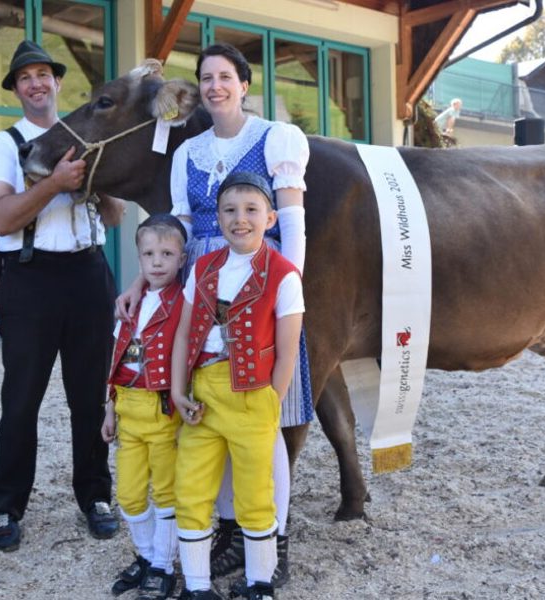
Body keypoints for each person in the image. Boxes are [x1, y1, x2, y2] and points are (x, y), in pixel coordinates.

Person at [116, 43, 309, 588]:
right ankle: (227, 534)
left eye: (226, 76)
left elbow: (291, 223)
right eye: (206, 78)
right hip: (199, 287)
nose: (215, 86)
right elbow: (173, 232)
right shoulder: (187, 151)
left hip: (259, 284)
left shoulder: (276, 138)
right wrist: (141, 283)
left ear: (245, 85)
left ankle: (274, 539)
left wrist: (283, 287)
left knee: (262, 421)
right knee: (207, 417)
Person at [0, 40, 124, 551]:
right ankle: (5, 507)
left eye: (44, 74)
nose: (37, 84)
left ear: (57, 83)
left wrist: (95, 185)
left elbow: (114, 217)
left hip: (89, 273)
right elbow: (1, 217)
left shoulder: (84, 133)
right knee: (21, 398)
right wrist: (56, 183)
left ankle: (95, 497)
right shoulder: (5, 143)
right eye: (26, 78)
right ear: (17, 90)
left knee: (90, 396)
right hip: (29, 276)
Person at [170, 172, 304, 600]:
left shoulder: (283, 274)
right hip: (203, 395)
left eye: (251, 210)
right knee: (191, 486)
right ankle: (196, 585)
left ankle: (260, 584)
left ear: (270, 218)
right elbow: (183, 331)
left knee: (254, 490)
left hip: (252, 397)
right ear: (218, 217)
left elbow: (287, 351)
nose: (239, 219)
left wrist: (271, 402)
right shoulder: (204, 267)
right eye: (229, 210)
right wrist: (178, 390)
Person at [102, 214, 189, 600]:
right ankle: (147, 553)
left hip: (162, 411)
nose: (157, 262)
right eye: (149, 254)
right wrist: (109, 407)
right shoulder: (128, 305)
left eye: (167, 253)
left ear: (182, 259)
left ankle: (163, 566)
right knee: (130, 493)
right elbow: (116, 357)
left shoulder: (183, 303)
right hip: (129, 410)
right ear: (138, 257)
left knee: (167, 492)